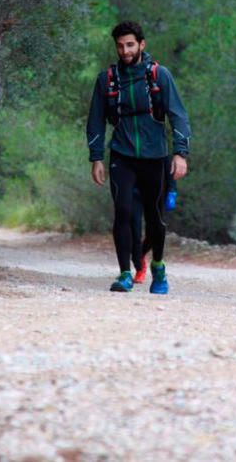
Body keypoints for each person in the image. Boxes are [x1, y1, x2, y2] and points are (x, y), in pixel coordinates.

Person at [86, 21, 191, 293]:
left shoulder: (159, 75)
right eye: (120, 46)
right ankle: (124, 273)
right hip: (121, 154)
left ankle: (157, 267)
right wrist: (96, 158)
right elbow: (95, 120)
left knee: (154, 218)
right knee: (122, 211)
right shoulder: (107, 79)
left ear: (141, 45)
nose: (125, 50)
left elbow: (178, 115)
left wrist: (180, 153)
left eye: (130, 44)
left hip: (155, 156)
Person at [130, 155, 178, 284]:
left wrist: (172, 189)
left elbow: (167, 163)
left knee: (154, 229)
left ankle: (140, 255)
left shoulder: (157, 139)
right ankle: (139, 267)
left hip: (156, 191)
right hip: (134, 189)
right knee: (134, 228)